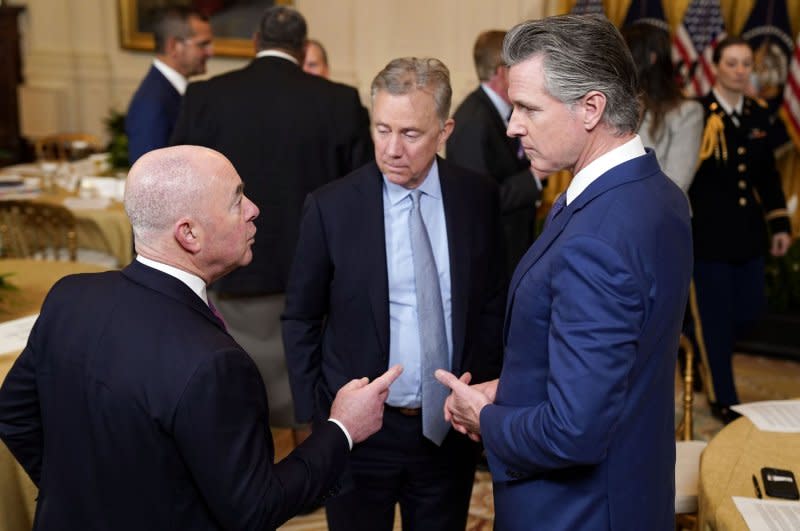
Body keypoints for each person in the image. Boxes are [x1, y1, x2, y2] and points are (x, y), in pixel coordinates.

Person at [0, 145, 402, 530]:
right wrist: (342, 428)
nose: (254, 210)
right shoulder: (214, 362)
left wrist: (78, 502)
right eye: (236, 200)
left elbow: (15, 416)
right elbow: (257, 508)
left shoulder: (70, 295)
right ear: (188, 234)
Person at [435, 14, 693, 530]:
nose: (512, 126)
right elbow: (613, 363)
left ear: (591, 107)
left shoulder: (597, 237)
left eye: (528, 108)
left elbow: (575, 431)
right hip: (630, 490)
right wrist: (511, 388)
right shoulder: (656, 193)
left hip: (575, 512)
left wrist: (485, 418)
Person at [282, 57, 506, 531]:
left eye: (410, 133)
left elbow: (491, 302)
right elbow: (300, 317)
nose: (392, 149)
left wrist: (477, 391)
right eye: (382, 129)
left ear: (445, 131)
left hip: (446, 429)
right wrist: (321, 417)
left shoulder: (478, 198)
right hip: (361, 432)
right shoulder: (331, 207)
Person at [170, 6, 372, 431]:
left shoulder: (206, 96)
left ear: (255, 43)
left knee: (232, 397)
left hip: (229, 272)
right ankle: (310, 471)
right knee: (308, 399)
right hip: (315, 279)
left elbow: (178, 188)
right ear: (301, 51)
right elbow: (361, 200)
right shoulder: (338, 102)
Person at [689, 36, 792, 423]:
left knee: (748, 313)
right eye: (731, 63)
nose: (739, 70)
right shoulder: (697, 112)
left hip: (748, 237)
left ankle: (698, 350)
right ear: (716, 66)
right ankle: (723, 398)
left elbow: (767, 177)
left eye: (746, 64)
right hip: (708, 237)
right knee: (714, 321)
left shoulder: (760, 114)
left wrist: (779, 223)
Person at [447, 30, 542, 272]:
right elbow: (480, 201)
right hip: (492, 260)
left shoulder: (499, 111)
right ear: (502, 71)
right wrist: (535, 176)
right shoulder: (473, 121)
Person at [622, 23, 703, 194]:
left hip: (660, 213)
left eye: (627, 52)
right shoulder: (617, 105)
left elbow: (676, 182)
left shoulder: (686, 112)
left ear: (651, 58)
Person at [126, 6, 212, 165]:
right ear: (173, 46)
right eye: (203, 45)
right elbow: (149, 177)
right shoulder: (152, 102)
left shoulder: (170, 92)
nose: (210, 52)